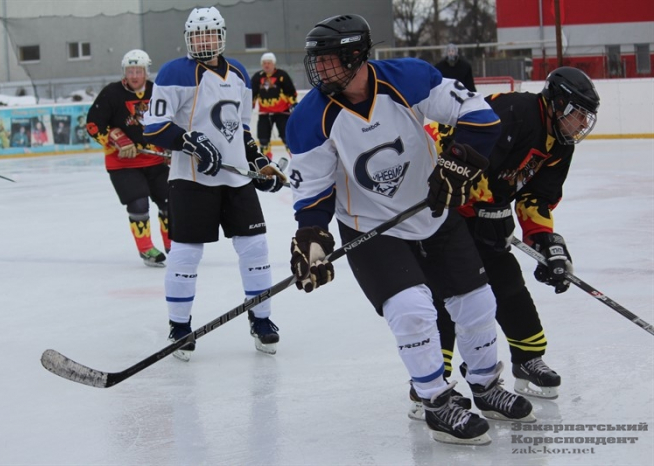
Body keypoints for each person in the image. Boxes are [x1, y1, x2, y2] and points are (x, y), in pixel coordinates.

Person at [285, 14, 534, 446]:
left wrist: (457, 162)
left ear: (357, 55)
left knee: (478, 302)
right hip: (371, 228)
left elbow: (480, 116)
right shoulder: (310, 117)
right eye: (316, 61)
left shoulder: (409, 77)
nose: (319, 70)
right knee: (413, 310)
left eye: (328, 61)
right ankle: (436, 401)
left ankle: (486, 384)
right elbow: (313, 191)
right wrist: (311, 238)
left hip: (433, 213)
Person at [427, 67, 600, 400]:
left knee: (508, 282)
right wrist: (490, 210)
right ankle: (434, 380)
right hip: (438, 193)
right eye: (578, 115)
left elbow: (536, 197)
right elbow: (469, 163)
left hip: (479, 205)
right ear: (558, 104)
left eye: (585, 117)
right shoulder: (514, 112)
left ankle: (527, 359)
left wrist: (546, 242)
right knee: (448, 291)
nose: (582, 124)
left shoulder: (560, 144)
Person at [143, 6, 287, 361]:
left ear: (221, 36)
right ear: (188, 38)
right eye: (197, 35)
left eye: (209, 34)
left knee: (255, 247)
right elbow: (154, 125)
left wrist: (257, 160)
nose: (203, 41)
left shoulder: (238, 71)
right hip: (190, 180)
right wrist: (191, 141)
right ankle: (179, 326)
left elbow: (243, 126)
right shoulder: (174, 72)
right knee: (187, 253)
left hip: (235, 179)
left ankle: (262, 320)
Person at [86, 49, 171, 267]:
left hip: (156, 160)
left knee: (170, 202)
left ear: (146, 72)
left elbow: (172, 120)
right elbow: (93, 125)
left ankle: (174, 245)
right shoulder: (111, 93)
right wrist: (114, 140)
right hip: (122, 164)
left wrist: (173, 146)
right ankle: (146, 250)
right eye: (130, 71)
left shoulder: (158, 91)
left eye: (139, 71)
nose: (134, 75)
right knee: (138, 203)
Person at [251, 52, 298, 158]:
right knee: (263, 140)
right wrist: (249, 106)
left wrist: (293, 104)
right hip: (264, 114)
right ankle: (267, 163)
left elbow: (290, 92)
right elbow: (252, 94)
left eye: (269, 63)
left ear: (274, 64)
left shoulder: (282, 75)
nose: (266, 65)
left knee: (287, 138)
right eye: (264, 63)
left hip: (282, 113)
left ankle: (295, 160)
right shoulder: (257, 77)